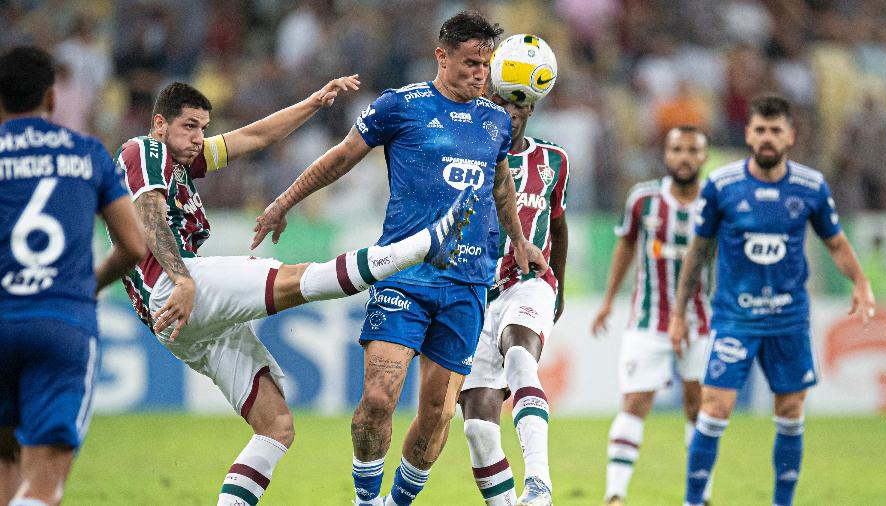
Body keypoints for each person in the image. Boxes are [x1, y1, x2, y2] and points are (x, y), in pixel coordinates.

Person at [118, 77, 475, 506]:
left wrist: (311, 101)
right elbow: (148, 209)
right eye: (189, 126)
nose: (198, 138)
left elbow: (254, 135)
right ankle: (421, 246)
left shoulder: (183, 158)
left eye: (203, 128)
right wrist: (180, 277)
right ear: (159, 124)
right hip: (174, 286)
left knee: (276, 427)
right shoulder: (144, 149)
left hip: (181, 320)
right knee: (299, 280)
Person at [252, 11, 548, 506]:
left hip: (467, 285)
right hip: (403, 276)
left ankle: (396, 503)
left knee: (437, 415)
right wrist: (284, 202)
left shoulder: (495, 120)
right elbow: (342, 157)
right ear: (441, 55)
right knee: (376, 399)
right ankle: (366, 498)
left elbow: (501, 185)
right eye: (472, 63)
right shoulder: (401, 106)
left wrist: (518, 241)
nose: (482, 74)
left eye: (487, 63)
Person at [669, 96, 876, 506]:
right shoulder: (722, 186)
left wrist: (861, 282)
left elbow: (834, 242)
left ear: (790, 136)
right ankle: (693, 502)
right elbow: (698, 251)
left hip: (789, 319)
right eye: (760, 130)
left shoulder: (811, 187)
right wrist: (679, 314)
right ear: (748, 134)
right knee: (714, 407)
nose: (767, 138)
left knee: (790, 412)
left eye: (775, 131)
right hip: (735, 317)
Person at [0, 46, 146, 506]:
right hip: (62, 322)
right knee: (45, 482)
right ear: (50, 96)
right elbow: (134, 246)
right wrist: (91, 284)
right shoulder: (86, 153)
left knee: (6, 464)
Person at [457, 85, 569, 506]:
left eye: (519, 103)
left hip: (529, 281)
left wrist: (559, 290)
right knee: (477, 429)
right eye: (502, 102)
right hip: (474, 295)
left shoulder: (553, 160)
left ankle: (539, 483)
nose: (511, 112)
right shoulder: (466, 157)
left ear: (532, 108)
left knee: (520, 356)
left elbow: (558, 225)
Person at [591, 126, 713, 506]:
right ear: (666, 154)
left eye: (692, 150)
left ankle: (700, 496)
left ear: (703, 158)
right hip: (647, 319)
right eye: (677, 149)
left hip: (701, 321)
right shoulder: (643, 199)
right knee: (635, 403)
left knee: (699, 407)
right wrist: (609, 299)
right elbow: (626, 246)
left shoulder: (716, 204)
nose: (684, 157)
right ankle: (615, 495)